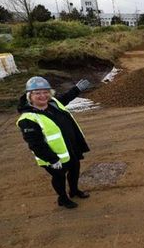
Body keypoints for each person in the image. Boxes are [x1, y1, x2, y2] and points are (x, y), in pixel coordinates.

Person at [17, 76, 91, 209]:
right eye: (37, 93)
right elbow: (35, 144)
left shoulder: (53, 103)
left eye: (45, 92)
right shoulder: (27, 119)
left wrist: (76, 89)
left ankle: (74, 191)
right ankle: (62, 198)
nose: (42, 96)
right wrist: (52, 159)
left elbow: (65, 98)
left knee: (75, 169)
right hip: (54, 156)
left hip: (69, 148)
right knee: (59, 177)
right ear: (29, 96)